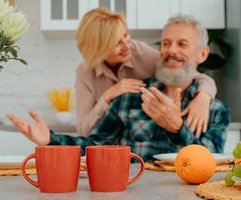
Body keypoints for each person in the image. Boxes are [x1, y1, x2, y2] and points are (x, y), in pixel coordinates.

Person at [7, 15, 229, 161]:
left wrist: (177, 127)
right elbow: (94, 144)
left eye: (182, 44)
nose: (171, 51)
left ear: (202, 54)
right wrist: (51, 140)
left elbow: (211, 164)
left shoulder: (215, 110)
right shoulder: (130, 98)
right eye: (165, 43)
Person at [75, 8, 217, 137]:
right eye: (116, 42)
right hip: (106, 142)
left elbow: (189, 72)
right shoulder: (85, 73)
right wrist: (106, 97)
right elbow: (84, 131)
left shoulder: (141, 54)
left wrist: (203, 97)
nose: (126, 45)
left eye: (126, 35)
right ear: (98, 48)